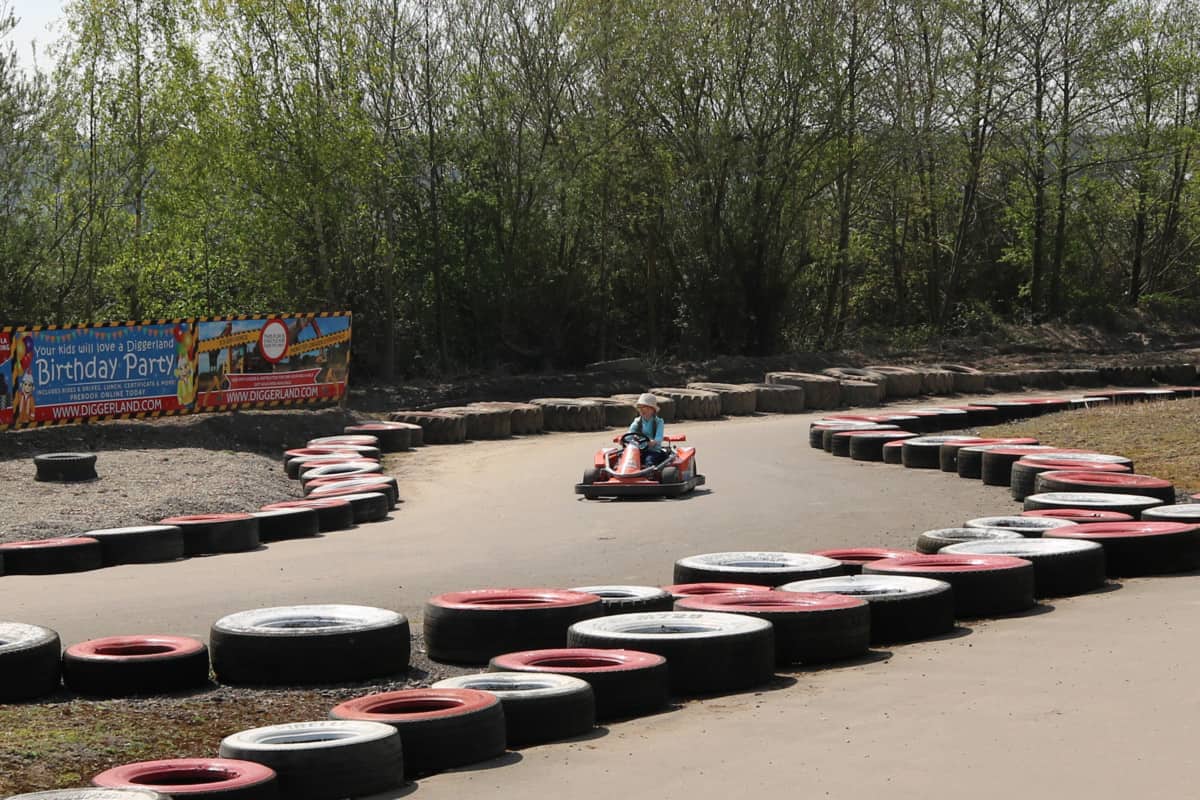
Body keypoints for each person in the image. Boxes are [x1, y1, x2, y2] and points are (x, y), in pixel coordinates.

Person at [628, 392, 669, 468]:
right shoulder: (637, 421)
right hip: (639, 450)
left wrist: (654, 441)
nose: (642, 410)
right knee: (624, 458)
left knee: (649, 461)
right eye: (640, 408)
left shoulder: (658, 422)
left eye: (645, 407)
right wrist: (623, 439)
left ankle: (649, 476)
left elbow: (659, 436)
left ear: (652, 410)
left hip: (653, 450)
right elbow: (630, 433)